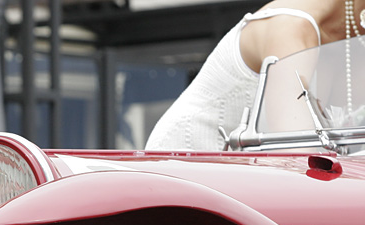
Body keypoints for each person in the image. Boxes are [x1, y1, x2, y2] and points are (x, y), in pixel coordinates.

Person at [145, 0, 363, 150]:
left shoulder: (353, 40)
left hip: (250, 187)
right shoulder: (290, 27)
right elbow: (296, 155)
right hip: (183, 168)